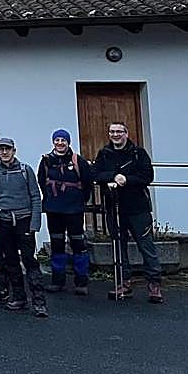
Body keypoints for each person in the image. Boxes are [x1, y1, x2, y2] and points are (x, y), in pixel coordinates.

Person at [93, 121, 163, 303]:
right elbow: (95, 174)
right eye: (112, 132)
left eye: (119, 131)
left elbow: (147, 176)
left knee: (146, 246)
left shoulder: (138, 153)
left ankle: (154, 284)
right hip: (114, 208)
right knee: (118, 246)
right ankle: (123, 281)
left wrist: (127, 179)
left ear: (126, 133)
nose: (115, 135)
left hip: (138, 208)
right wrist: (112, 177)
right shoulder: (104, 154)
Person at [0, 138, 47, 318]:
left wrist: (35, 223)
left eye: (8, 149)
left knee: (30, 260)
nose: (4, 152)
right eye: (1, 149)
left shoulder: (25, 170)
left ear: (14, 151)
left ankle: (39, 301)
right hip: (2, 221)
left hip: (23, 220)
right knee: (10, 260)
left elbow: (36, 197)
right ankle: (19, 297)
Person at [38, 129, 94, 294]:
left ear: (68, 142)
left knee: (78, 244)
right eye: (57, 140)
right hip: (54, 209)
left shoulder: (78, 161)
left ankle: (81, 282)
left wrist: (79, 199)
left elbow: (87, 183)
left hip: (74, 209)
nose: (60, 143)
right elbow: (42, 181)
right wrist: (49, 198)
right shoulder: (47, 161)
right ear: (53, 142)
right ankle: (58, 281)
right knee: (57, 244)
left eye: (63, 140)